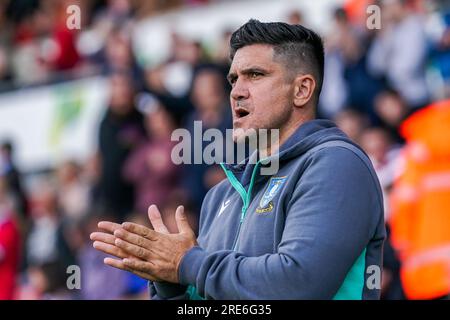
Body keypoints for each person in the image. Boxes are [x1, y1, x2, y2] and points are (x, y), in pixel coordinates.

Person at [91, 19, 385, 300]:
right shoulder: (221, 194)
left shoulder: (336, 164)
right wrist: (171, 283)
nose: (236, 92)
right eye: (233, 79)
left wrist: (188, 264)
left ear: (302, 90)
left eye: (255, 75)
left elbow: (296, 285)